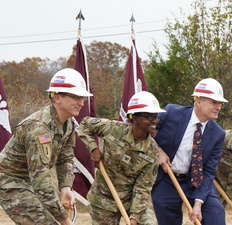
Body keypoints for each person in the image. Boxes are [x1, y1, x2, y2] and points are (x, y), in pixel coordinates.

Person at [0, 68, 93, 225]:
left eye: (82, 97)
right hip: (10, 181)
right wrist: (64, 220)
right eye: (75, 97)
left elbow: (66, 157)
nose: (81, 103)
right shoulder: (38, 127)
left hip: (30, 181)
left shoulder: (68, 123)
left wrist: (65, 187)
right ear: (57, 98)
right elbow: (41, 180)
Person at [78, 91, 164, 225]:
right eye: (149, 117)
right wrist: (93, 148)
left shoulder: (152, 151)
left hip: (132, 199)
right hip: (104, 198)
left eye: (156, 117)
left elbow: (143, 187)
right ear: (135, 118)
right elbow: (84, 124)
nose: (154, 121)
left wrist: (134, 217)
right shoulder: (113, 129)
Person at [151, 78, 228, 225]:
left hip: (196, 181)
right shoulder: (171, 112)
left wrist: (198, 203)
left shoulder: (218, 134)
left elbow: (209, 170)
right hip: (167, 179)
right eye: (214, 102)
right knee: (167, 216)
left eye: (219, 103)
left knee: (215, 213)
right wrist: (157, 150)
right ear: (199, 101)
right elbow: (143, 126)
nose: (218, 107)